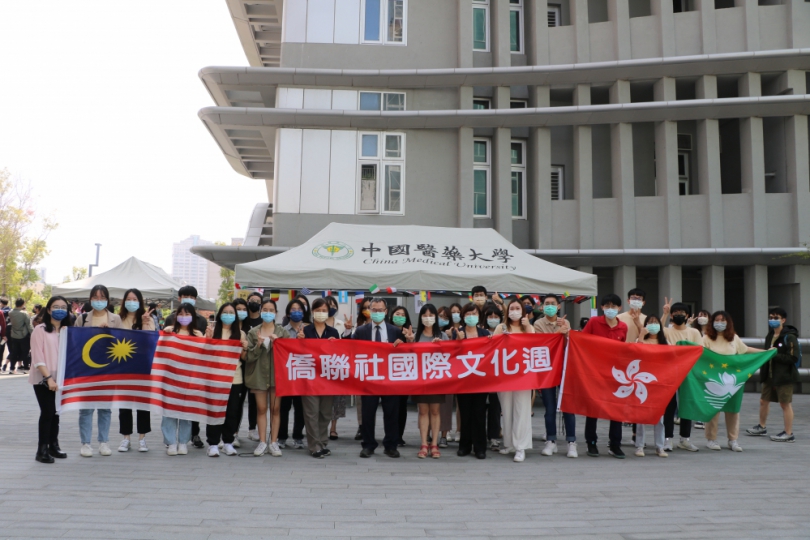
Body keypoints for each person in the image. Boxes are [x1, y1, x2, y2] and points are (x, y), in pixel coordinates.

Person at [701, 311, 762, 452]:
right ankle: (711, 439)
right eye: (717, 320)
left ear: (728, 323)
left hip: (732, 380)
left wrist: (764, 351)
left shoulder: (734, 338)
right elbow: (700, 354)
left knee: (733, 410)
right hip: (713, 379)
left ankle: (733, 439)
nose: (720, 323)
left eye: (723, 320)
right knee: (713, 409)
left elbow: (745, 350)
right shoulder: (707, 338)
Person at [354, 297, 407, 458]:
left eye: (380, 310)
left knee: (391, 412)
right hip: (369, 378)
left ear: (386, 311)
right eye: (374, 310)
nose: (377, 313)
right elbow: (351, 351)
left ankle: (390, 445)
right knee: (368, 413)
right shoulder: (361, 331)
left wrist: (406, 343)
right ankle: (368, 444)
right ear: (369, 311)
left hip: (390, 378)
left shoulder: (395, 331)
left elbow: (405, 354)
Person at [74, 285, 122, 457]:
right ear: (90, 299)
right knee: (85, 408)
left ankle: (104, 442)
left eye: (102, 297)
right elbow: (76, 343)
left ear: (107, 300)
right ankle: (85, 443)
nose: (99, 301)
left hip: (107, 370)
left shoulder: (115, 319)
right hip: (86, 370)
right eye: (95, 297)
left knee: (105, 408)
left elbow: (122, 344)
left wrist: (108, 332)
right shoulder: (82, 318)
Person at [581, 294, 628, 458]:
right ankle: (591, 443)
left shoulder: (623, 327)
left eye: (614, 306)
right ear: (602, 307)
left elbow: (623, 350)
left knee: (616, 409)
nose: (610, 309)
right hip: (595, 373)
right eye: (607, 306)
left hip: (616, 375)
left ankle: (615, 444)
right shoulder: (594, 322)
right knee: (593, 409)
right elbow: (583, 341)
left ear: (620, 308)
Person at [745, 307, 800, 443]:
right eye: (771, 317)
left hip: (784, 376)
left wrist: (774, 354)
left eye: (776, 318)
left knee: (784, 404)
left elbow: (793, 357)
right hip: (769, 375)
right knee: (763, 401)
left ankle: (788, 433)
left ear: (783, 320)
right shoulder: (770, 335)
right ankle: (761, 426)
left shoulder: (790, 337)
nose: (772, 320)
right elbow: (766, 353)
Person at [533, 294, 577, 458]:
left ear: (559, 306)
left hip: (564, 370)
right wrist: (558, 333)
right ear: (542, 307)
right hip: (547, 371)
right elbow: (541, 345)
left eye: (553, 304)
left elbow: (571, 344)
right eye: (547, 304)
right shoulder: (538, 323)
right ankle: (550, 440)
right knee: (549, 408)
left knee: (568, 407)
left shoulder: (566, 323)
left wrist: (567, 331)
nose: (549, 306)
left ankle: (571, 442)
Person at [244, 299, 290, 457]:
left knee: (276, 409)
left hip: (277, 377)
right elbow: (248, 357)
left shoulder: (282, 332)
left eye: (271, 310)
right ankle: (262, 441)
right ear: (261, 311)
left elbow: (290, 355)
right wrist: (257, 346)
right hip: (258, 376)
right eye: (265, 309)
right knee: (261, 409)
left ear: (276, 313)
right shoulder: (253, 332)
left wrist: (279, 343)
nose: (268, 312)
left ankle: (274, 442)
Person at [492, 298, 534, 462]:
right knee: (507, 409)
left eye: (518, 308)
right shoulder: (500, 327)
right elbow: (491, 347)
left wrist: (527, 326)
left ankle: (521, 446)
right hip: (504, 375)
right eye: (512, 308)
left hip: (523, 376)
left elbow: (535, 346)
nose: (514, 311)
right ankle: (509, 444)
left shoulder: (528, 328)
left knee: (521, 410)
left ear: (523, 312)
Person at [203, 302, 248, 457]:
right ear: (220, 314)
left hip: (235, 378)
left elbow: (244, 357)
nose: (228, 315)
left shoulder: (240, 333)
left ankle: (228, 442)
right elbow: (204, 354)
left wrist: (245, 348)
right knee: (214, 411)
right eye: (225, 312)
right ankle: (213, 443)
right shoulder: (212, 331)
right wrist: (207, 339)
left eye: (231, 312)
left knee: (232, 411)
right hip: (215, 378)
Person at [30, 296, 70, 463]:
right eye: (55, 306)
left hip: (61, 378)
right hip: (43, 378)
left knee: (56, 413)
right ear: (48, 310)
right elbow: (38, 357)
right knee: (47, 412)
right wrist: (48, 378)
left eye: (63, 307)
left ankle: (54, 445)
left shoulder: (68, 331)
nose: (59, 309)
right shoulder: (40, 330)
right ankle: (42, 449)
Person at [116, 289, 156, 453]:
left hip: (143, 366)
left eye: (135, 299)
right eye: (129, 299)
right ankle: (126, 438)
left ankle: (142, 438)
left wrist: (145, 322)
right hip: (123, 366)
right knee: (124, 403)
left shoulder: (148, 318)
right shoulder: (118, 319)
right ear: (124, 301)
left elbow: (151, 340)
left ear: (140, 302)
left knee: (143, 403)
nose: (131, 302)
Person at [659, 302, 702, 452]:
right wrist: (664, 313)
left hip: (688, 374)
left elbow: (699, 351)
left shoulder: (694, 333)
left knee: (686, 405)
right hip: (669, 373)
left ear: (688, 316)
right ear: (671, 316)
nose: (679, 315)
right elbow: (658, 331)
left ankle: (685, 438)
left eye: (682, 313)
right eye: (675, 312)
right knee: (669, 407)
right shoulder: (667, 331)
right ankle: (667, 439)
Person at [299, 298, 339, 458]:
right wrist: (299, 341)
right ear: (312, 312)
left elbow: (339, 355)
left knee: (325, 413)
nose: (321, 313)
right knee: (311, 413)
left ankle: (322, 443)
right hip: (309, 379)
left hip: (327, 379)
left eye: (324, 310)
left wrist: (336, 344)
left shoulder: (333, 332)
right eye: (318, 310)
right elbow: (297, 353)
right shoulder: (305, 331)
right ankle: (314, 445)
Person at [161, 304, 203, 455]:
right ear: (176, 316)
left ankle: (183, 442)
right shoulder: (170, 332)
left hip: (189, 379)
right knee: (169, 412)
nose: (184, 317)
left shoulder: (198, 334)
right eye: (181, 313)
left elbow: (204, 354)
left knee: (186, 412)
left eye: (187, 314)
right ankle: (171, 442)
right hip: (171, 377)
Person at [455, 303, 490, 460]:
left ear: (479, 315)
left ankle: (480, 447)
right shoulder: (459, 333)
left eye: (474, 313)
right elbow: (451, 355)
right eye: (468, 314)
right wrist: (457, 341)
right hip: (463, 380)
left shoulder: (484, 333)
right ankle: (465, 446)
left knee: (479, 414)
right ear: (463, 316)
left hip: (481, 380)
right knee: (465, 414)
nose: (471, 316)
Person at [413, 304, 447, 459]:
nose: (428, 318)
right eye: (425, 315)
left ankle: (434, 443)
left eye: (431, 314)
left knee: (435, 411)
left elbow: (451, 356)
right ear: (420, 318)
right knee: (423, 411)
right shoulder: (416, 336)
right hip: (420, 380)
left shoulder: (443, 336)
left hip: (437, 379)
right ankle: (423, 444)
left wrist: (441, 346)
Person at [632, 315, 670, 458]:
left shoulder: (665, 343)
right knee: (641, 416)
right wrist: (641, 335)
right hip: (642, 381)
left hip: (659, 383)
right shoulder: (642, 340)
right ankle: (639, 445)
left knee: (659, 418)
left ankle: (660, 447)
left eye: (656, 322)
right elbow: (636, 352)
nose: (653, 325)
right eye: (650, 323)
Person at [279, 298, 308, 450]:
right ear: (288, 313)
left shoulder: (308, 330)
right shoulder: (282, 331)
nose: (296, 312)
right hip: (286, 374)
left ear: (304, 312)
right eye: (293, 309)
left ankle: (298, 436)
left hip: (303, 374)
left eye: (299, 309)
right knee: (284, 407)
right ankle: (281, 437)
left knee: (300, 408)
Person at [324, 295, 348, 440]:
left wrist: (347, 331)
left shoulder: (341, 324)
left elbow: (347, 343)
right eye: (328, 305)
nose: (331, 308)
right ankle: (323, 427)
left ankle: (333, 427)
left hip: (338, 365)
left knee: (337, 398)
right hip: (321, 365)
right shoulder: (315, 324)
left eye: (334, 305)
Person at [390, 305, 414, 447]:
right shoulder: (387, 330)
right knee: (391, 407)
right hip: (388, 374)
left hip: (404, 374)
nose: (399, 316)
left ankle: (399, 435)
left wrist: (409, 340)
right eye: (397, 313)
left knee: (401, 406)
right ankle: (391, 434)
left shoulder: (409, 332)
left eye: (402, 314)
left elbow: (414, 353)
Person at [241, 292, 263, 443]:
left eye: (257, 301)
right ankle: (234, 431)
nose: (254, 302)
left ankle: (252, 428)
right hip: (241, 365)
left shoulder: (263, 322)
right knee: (239, 399)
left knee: (255, 399)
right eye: (252, 300)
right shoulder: (242, 321)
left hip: (256, 366)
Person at [436, 305, 458, 445]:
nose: (443, 319)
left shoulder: (454, 333)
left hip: (447, 374)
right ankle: (430, 434)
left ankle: (444, 435)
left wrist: (451, 339)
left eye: (446, 317)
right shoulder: (429, 332)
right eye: (440, 316)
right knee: (430, 407)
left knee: (446, 406)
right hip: (431, 373)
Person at [351, 297, 372, 441]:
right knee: (361, 401)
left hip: (379, 368)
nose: (368, 310)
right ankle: (362, 426)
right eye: (365, 307)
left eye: (371, 307)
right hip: (362, 367)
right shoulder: (358, 327)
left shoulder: (386, 327)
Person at [9, 298, 34, 374]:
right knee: (25, 352)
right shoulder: (24, 314)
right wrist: (33, 333)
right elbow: (29, 325)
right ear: (23, 304)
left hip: (14, 334)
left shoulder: (11, 312)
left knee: (14, 352)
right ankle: (26, 368)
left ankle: (12, 368)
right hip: (23, 335)